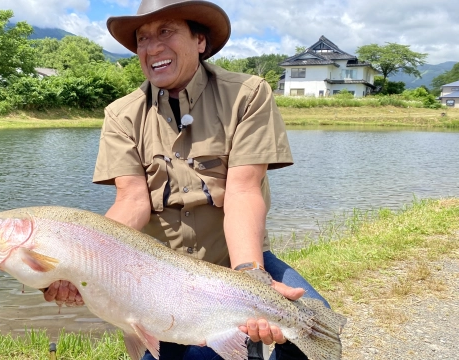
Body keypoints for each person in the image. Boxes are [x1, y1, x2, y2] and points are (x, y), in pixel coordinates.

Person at [43, 0, 331, 359]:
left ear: (199, 41)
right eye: (143, 38)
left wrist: (250, 278)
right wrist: (81, 265)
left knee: (315, 328)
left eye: (166, 31)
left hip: (233, 261)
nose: (152, 47)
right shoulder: (121, 114)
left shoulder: (247, 94)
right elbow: (131, 200)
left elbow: (243, 191)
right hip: (155, 273)